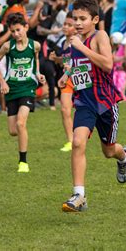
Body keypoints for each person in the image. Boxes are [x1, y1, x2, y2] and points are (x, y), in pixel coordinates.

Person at [57, 0, 126, 212]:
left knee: (109, 151)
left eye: (83, 19)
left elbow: (108, 65)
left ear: (95, 19)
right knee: (78, 143)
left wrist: (82, 47)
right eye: (75, 18)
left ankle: (124, 156)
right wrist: (67, 74)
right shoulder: (74, 40)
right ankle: (79, 196)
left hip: (106, 102)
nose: (78, 23)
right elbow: (77, 64)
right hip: (84, 102)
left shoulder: (100, 36)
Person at [0, 13, 45, 173]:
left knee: (21, 123)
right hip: (12, 89)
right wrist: (2, 82)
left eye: (18, 30)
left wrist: (38, 74)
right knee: (13, 130)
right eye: (13, 31)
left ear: (26, 27)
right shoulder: (8, 46)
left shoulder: (35, 45)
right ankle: (22, 133)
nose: (16, 34)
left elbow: (35, 62)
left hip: (28, 88)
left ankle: (23, 162)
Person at [51, 12, 76, 152]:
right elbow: (66, 61)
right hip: (66, 78)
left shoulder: (77, 42)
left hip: (78, 78)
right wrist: (56, 59)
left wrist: (68, 69)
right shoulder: (63, 42)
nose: (65, 27)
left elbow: (78, 62)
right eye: (64, 24)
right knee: (65, 109)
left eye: (69, 25)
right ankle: (70, 141)